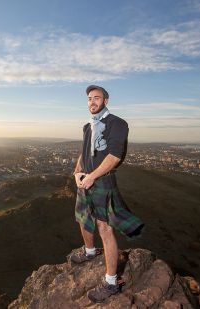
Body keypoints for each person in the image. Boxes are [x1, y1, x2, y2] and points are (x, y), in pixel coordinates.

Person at [71, 85, 144, 303]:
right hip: (86, 180)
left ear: (106, 100)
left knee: (104, 228)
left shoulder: (117, 123)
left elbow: (114, 156)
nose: (92, 101)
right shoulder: (87, 126)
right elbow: (83, 153)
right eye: (89, 98)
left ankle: (111, 282)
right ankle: (90, 251)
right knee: (83, 219)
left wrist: (92, 176)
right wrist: (77, 172)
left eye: (97, 98)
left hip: (102, 181)